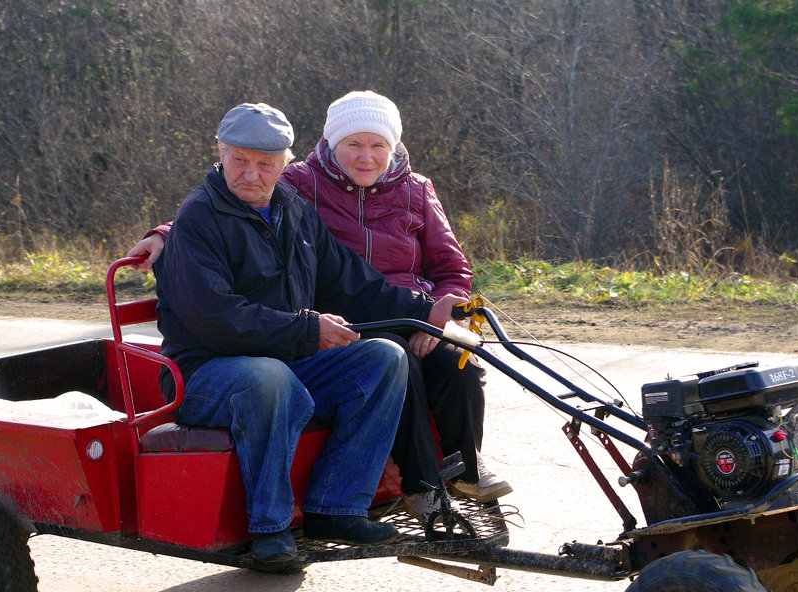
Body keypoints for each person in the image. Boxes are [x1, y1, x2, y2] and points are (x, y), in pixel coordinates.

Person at [129, 91, 512, 521]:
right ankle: (298, 521)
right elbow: (215, 283)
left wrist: (431, 311)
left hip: (321, 331)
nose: (253, 174)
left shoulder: (302, 206)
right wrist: (166, 233)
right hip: (254, 352)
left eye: (266, 164)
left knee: (423, 358)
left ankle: (395, 490)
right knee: (327, 365)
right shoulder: (272, 194)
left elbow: (364, 278)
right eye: (354, 144)